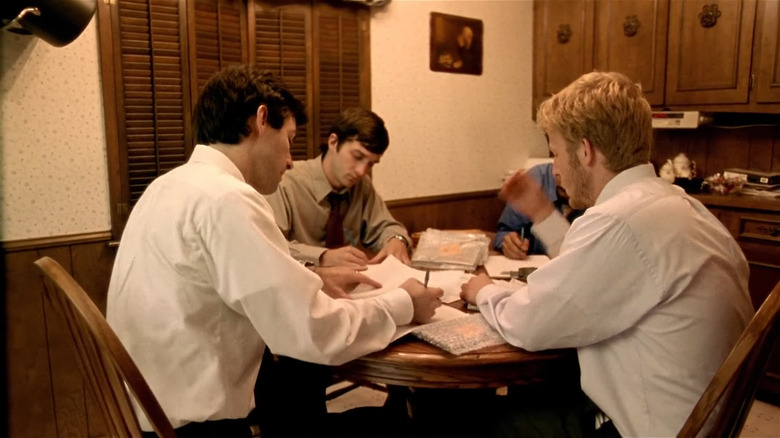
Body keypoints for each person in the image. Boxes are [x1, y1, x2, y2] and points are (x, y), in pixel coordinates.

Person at [105, 64, 443, 437]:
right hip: (197, 425)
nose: (289, 160)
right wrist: (404, 302)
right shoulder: (227, 199)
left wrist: (307, 278)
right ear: (261, 120)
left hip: (150, 405)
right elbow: (313, 330)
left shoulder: (169, 185)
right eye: (291, 140)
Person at [460, 71, 754, 437]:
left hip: (640, 429)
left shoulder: (619, 221)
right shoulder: (681, 208)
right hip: (694, 421)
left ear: (585, 151)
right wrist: (540, 212)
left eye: (556, 153)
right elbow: (587, 272)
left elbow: (530, 325)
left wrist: (482, 290)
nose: (556, 169)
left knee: (464, 419)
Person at [264, 107, 412, 269]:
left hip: (350, 285)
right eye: (357, 156)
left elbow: (386, 226)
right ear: (333, 142)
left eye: (370, 164)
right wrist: (323, 257)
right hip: (300, 285)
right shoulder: (286, 182)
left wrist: (397, 239)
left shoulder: (362, 186)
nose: (361, 171)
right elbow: (270, 245)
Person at [494, 162, 584, 259]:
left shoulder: (596, 193)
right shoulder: (535, 179)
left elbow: (576, 259)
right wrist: (508, 243)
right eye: (555, 154)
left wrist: (542, 213)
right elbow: (504, 232)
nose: (555, 171)